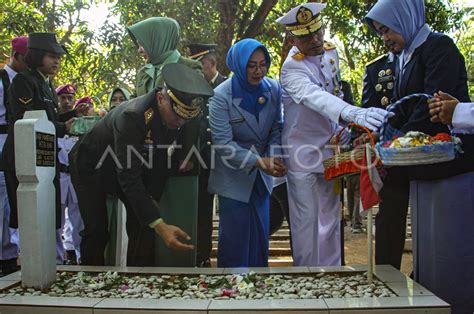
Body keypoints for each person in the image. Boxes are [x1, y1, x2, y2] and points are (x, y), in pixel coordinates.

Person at [366, 1, 473, 312]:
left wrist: (396, 144)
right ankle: (409, 290)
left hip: (447, 165)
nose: (384, 38)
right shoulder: (403, 58)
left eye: (386, 29)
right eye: (380, 32)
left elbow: (430, 105)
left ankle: (452, 301)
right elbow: (399, 109)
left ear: (405, 18)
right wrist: (384, 138)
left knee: (447, 247)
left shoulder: (439, 47)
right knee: (422, 239)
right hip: (419, 165)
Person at [276, 3, 391, 267]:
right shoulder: (291, 68)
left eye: (317, 31)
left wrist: (341, 130)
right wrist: (351, 113)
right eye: (305, 36)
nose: (315, 40)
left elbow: (336, 92)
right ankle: (307, 275)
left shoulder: (331, 53)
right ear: (292, 38)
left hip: (330, 150)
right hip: (301, 153)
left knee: (329, 217)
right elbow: (316, 98)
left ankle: (332, 273)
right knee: (306, 220)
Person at [69, 63, 214, 266]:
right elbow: (128, 175)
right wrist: (160, 224)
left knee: (144, 223)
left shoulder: (178, 116)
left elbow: (162, 161)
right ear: (161, 98)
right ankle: (92, 283)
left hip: (131, 165)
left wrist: (153, 204)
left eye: (186, 118)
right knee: (97, 229)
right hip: (91, 167)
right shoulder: (133, 116)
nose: (180, 122)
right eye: (178, 116)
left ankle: (140, 279)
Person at [208, 38, 286, 267]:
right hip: (233, 177)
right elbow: (223, 143)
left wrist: (272, 157)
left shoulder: (273, 89)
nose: (258, 71)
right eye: (251, 65)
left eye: (263, 64)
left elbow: (276, 128)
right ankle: (232, 292)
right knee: (235, 240)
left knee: (260, 237)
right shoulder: (221, 96)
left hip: (262, 178)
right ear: (238, 65)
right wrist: (260, 161)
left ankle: (259, 290)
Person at [2, 33, 87, 238]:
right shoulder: (24, 80)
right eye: (51, 56)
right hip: (25, 159)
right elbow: (27, 119)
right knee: (29, 219)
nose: (57, 61)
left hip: (45, 158)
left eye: (58, 57)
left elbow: (49, 115)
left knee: (47, 217)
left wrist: (72, 114)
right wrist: (62, 127)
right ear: (37, 55)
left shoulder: (46, 84)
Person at [184, 43, 227, 267]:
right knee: (201, 210)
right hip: (200, 158)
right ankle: (202, 257)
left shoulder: (228, 85)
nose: (197, 72)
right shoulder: (192, 89)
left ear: (211, 64)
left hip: (226, 159)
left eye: (199, 66)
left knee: (229, 207)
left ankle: (229, 256)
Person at [0, 36, 28, 275]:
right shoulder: (1, 80)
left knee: (13, 202)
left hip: (19, 144)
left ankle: (10, 254)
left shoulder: (27, 82)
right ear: (17, 56)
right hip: (2, 143)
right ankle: (4, 255)